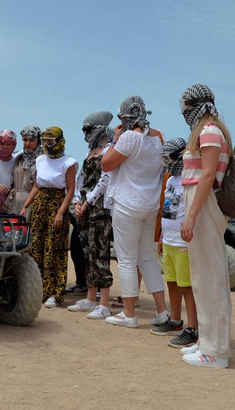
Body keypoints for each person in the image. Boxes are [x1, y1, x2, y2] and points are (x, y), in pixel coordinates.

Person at [100, 96, 170, 330]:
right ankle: (162, 311)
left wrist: (114, 139)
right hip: (150, 205)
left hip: (127, 203)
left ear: (127, 117)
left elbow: (106, 164)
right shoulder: (160, 137)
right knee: (147, 258)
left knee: (127, 260)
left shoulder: (129, 137)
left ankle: (128, 313)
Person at [178, 84, 232, 368]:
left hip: (205, 202)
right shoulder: (206, 131)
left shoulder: (209, 131)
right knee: (202, 276)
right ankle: (208, 341)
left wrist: (191, 216)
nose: (184, 111)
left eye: (186, 106)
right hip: (200, 200)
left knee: (210, 277)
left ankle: (216, 351)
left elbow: (208, 175)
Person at [21, 127, 78, 308]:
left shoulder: (69, 162)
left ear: (60, 140)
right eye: (45, 140)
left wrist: (61, 212)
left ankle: (54, 292)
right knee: (36, 246)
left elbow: (70, 190)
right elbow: (37, 185)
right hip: (40, 205)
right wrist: (25, 206)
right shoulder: (40, 159)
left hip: (57, 204)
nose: (47, 144)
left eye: (51, 140)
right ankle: (37, 289)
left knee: (54, 248)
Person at [151, 137, 199, 349]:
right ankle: (176, 321)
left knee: (186, 285)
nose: (165, 163)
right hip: (168, 238)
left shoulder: (191, 179)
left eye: (168, 158)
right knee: (171, 281)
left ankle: (193, 328)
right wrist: (161, 236)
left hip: (183, 241)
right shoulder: (170, 179)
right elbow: (167, 208)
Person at [67, 111, 114, 319]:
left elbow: (104, 182)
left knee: (100, 253)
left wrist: (86, 202)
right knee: (87, 252)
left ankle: (104, 304)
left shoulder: (108, 151)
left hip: (100, 210)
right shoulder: (90, 153)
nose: (86, 133)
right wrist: (77, 201)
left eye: (88, 129)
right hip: (85, 209)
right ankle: (90, 297)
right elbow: (81, 182)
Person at [3, 126, 41, 218]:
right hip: (14, 203)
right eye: (25, 140)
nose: (28, 143)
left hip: (33, 203)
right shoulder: (18, 157)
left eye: (31, 140)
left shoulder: (42, 159)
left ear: (38, 141)